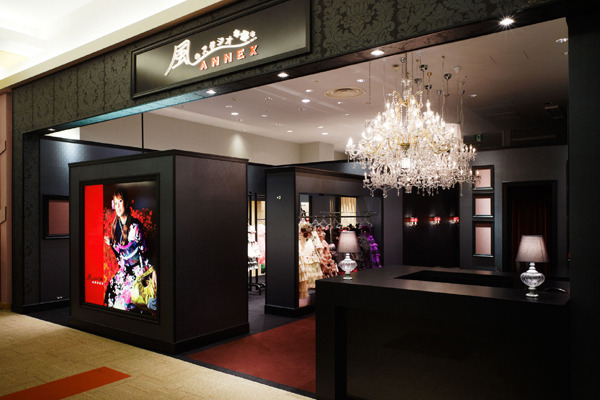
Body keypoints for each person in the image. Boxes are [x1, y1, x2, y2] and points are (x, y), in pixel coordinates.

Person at [103, 188, 157, 312]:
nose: (117, 206)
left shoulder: (135, 226)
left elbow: (145, 252)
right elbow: (120, 255)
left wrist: (153, 270)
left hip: (138, 269)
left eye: (120, 202)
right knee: (111, 289)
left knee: (128, 298)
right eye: (115, 203)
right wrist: (111, 244)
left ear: (126, 203)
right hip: (125, 269)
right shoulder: (115, 226)